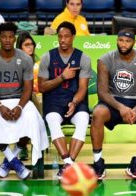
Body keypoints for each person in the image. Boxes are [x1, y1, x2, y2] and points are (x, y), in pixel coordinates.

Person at [0, 22, 49, 180]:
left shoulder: (25, 59)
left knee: (33, 119)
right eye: (4, 37)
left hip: (20, 100)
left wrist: (20, 107)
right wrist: (0, 107)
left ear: (14, 38)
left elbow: (28, 88)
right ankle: (15, 162)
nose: (7, 40)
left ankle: (9, 161)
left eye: (10, 37)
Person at [91, 28, 136, 180]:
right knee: (98, 113)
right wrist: (122, 108)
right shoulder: (105, 59)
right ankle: (98, 163)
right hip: (113, 101)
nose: (123, 44)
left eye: (127, 41)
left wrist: (135, 110)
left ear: (134, 42)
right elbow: (102, 93)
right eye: (121, 40)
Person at [38, 21, 92, 179]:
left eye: (66, 36)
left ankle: (68, 164)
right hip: (53, 101)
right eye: (60, 36)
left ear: (73, 37)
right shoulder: (47, 57)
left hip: (75, 100)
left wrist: (74, 102)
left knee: (83, 119)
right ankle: (69, 164)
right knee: (53, 121)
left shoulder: (83, 58)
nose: (62, 40)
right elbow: (42, 87)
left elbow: (83, 88)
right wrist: (62, 77)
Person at [16, 31, 41, 161]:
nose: (30, 47)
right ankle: (22, 146)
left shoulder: (38, 63)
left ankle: (38, 144)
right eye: (26, 45)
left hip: (35, 96)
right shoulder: (15, 62)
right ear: (20, 47)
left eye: (31, 44)